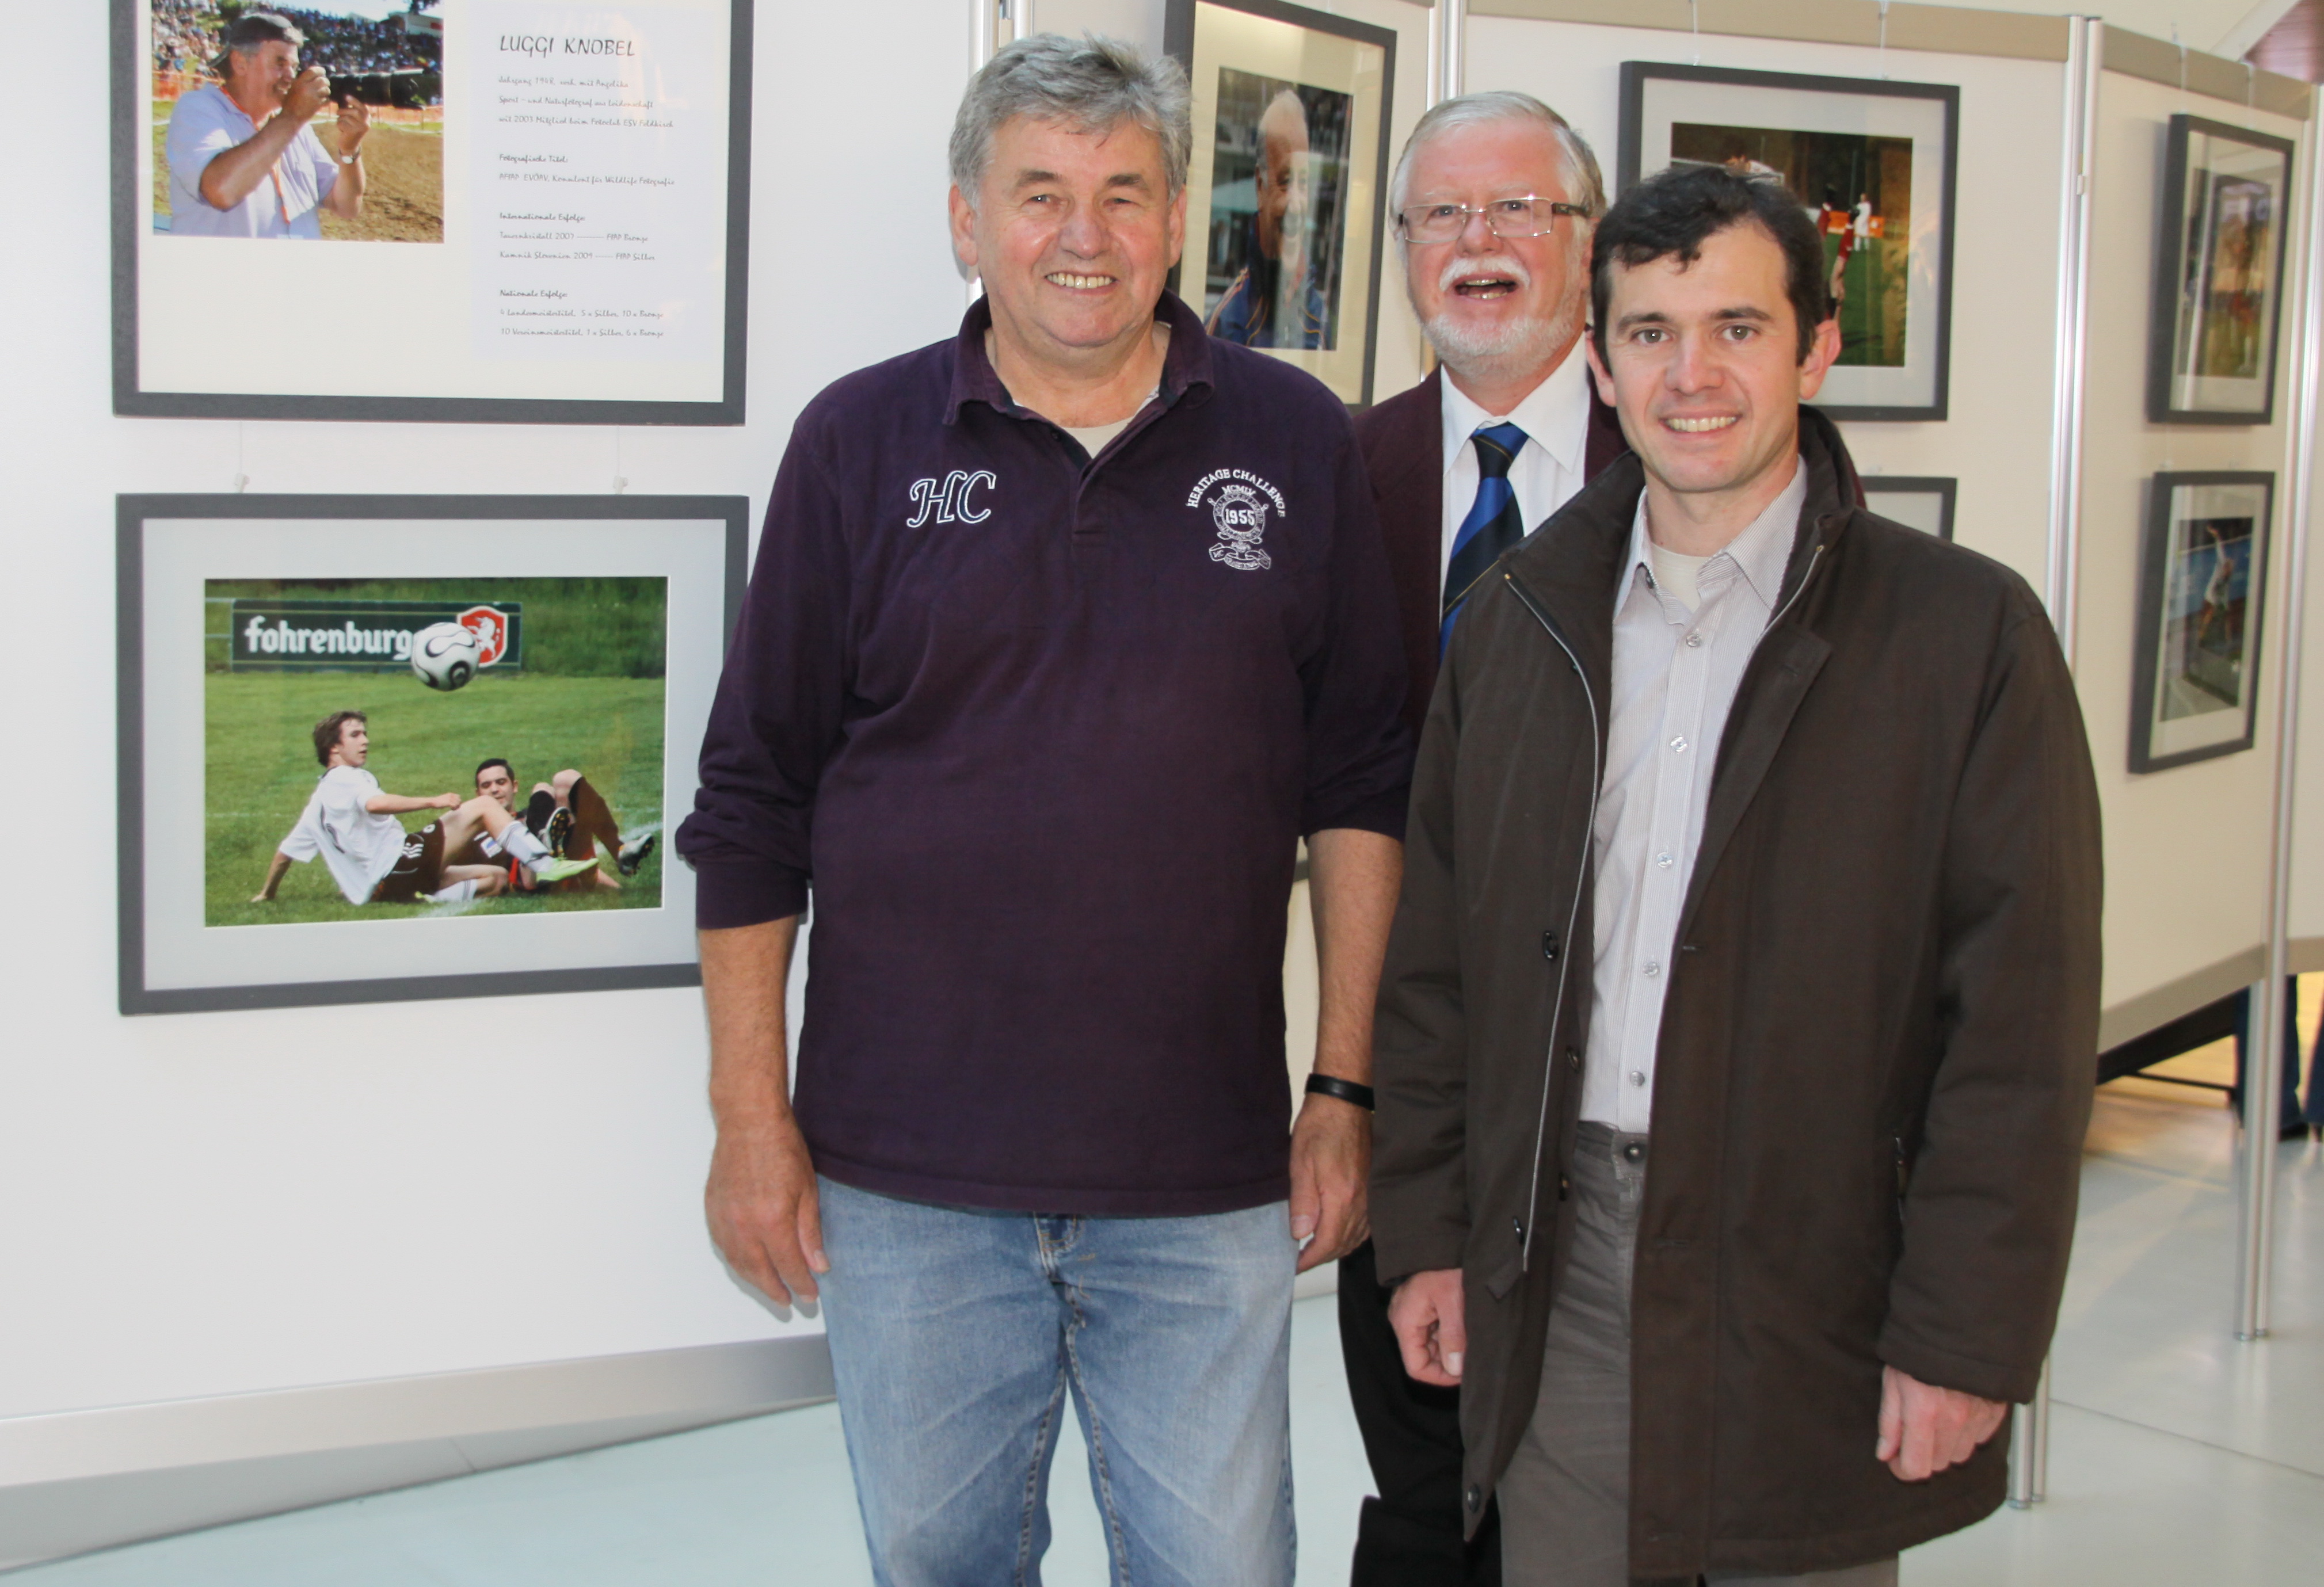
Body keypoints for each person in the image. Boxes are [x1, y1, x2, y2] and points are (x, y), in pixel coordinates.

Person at [676, 33, 1409, 1587]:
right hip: (905, 1181)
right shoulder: (855, 444)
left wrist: (1343, 1086)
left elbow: (1360, 783)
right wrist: (750, 1118)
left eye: (1124, 192)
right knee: (941, 1564)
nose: (1086, 235)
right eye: (1039, 194)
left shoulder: (1292, 441)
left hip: (1201, 1175)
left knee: (1222, 1567)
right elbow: (750, 800)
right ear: (967, 219)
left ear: (1175, 220)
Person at [1370, 162, 2103, 1586]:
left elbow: (2017, 1030)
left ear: (1814, 351)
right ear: (1598, 362)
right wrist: (1433, 1234)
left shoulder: (1964, 637)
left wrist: (1962, 1332)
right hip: (1561, 1254)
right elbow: (1438, 972)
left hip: (1816, 1262)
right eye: (1649, 332)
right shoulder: (1516, 626)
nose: (1689, 375)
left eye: (1736, 329)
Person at [1338, 90, 1626, 1587]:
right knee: (1428, 1483)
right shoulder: (1336, 476)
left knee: (1618, 1504)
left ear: (1589, 239)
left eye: (1520, 207)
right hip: (1416, 1093)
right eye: (1443, 213)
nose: (1479, 240)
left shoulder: (1687, 461)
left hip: (1629, 1107)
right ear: (1401, 249)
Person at [251, 712, 596, 908]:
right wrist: (432, 801)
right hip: (399, 863)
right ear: (334, 748)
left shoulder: (316, 805)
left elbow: (284, 855)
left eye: (365, 733)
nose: (365, 740)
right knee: (484, 805)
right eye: (355, 735)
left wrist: (268, 893)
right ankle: (545, 864)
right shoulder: (346, 777)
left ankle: (427, 899)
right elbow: (375, 804)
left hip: (388, 884)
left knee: (495, 879)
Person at [165, 11, 369, 239]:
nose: (291, 76)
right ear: (240, 63)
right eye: (280, 63)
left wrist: (350, 151)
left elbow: (347, 206)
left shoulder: (296, 127)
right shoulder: (199, 107)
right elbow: (221, 191)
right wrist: (293, 117)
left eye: (294, 66)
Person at [1207, 87, 1329, 348]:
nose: (1297, 204)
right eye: (1285, 182)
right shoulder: (1228, 323)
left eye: (1304, 182)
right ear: (1260, 186)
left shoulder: (1320, 316)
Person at [460, 758, 657, 894]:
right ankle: (542, 848)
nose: (495, 790)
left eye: (501, 782)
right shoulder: (474, 832)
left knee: (563, 780)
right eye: (486, 786)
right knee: (543, 791)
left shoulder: (533, 815)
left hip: (562, 867)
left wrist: (618, 891)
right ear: (478, 794)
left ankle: (619, 851)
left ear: (515, 786)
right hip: (530, 877)